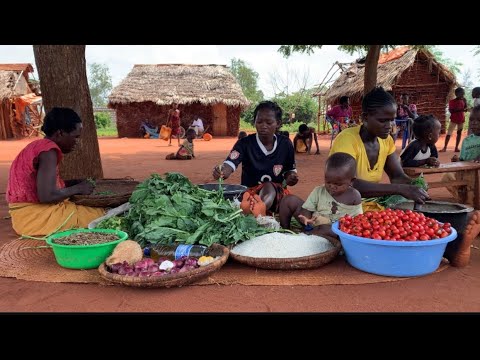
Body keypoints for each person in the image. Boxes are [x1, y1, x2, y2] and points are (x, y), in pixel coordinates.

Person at [330, 87, 479, 268]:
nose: (389, 126)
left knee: (401, 222)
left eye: (392, 120)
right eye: (383, 120)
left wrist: (414, 186)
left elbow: (397, 176)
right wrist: (401, 189)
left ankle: (453, 247)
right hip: (345, 203)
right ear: (364, 118)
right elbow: (348, 186)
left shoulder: (386, 141)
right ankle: (445, 250)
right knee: (368, 228)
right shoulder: (347, 139)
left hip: (372, 202)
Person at [6, 107, 105, 236]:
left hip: (24, 217)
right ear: (60, 133)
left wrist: (72, 183)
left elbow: (43, 185)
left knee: (88, 211)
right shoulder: (48, 151)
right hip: (34, 218)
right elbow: (46, 196)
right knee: (101, 214)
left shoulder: (39, 146)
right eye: (75, 137)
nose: (77, 142)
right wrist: (78, 188)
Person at [212, 100, 303, 228]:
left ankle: (258, 212)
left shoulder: (285, 144)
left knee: (272, 189)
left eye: (269, 122)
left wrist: (291, 177)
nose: (263, 126)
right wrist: (222, 171)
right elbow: (229, 164)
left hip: (277, 195)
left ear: (278, 123)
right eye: (259, 122)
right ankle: (258, 214)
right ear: (254, 122)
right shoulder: (244, 144)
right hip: (248, 195)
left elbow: (290, 171)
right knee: (260, 190)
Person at [297, 152, 363, 237]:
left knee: (326, 229)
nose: (332, 186)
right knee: (289, 200)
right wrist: (306, 218)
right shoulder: (319, 191)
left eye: (338, 184)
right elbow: (307, 209)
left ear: (351, 181)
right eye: (328, 182)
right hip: (314, 223)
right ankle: (284, 232)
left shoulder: (354, 196)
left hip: (336, 230)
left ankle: (305, 236)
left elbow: (358, 220)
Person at [444, 105, 480, 204]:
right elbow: (463, 160)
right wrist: (458, 160)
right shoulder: (467, 140)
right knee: (446, 177)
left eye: (478, 120)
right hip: (466, 173)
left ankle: (473, 200)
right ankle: (463, 199)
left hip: (478, 174)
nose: (474, 123)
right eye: (471, 120)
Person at [440, 87, 468, 153]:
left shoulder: (464, 100)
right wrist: (462, 110)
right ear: (456, 94)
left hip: (461, 119)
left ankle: (456, 148)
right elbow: (451, 111)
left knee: (459, 133)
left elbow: (465, 107)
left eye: (463, 93)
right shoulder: (452, 102)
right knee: (449, 133)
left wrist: (465, 108)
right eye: (461, 93)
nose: (463, 95)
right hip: (454, 119)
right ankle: (445, 147)